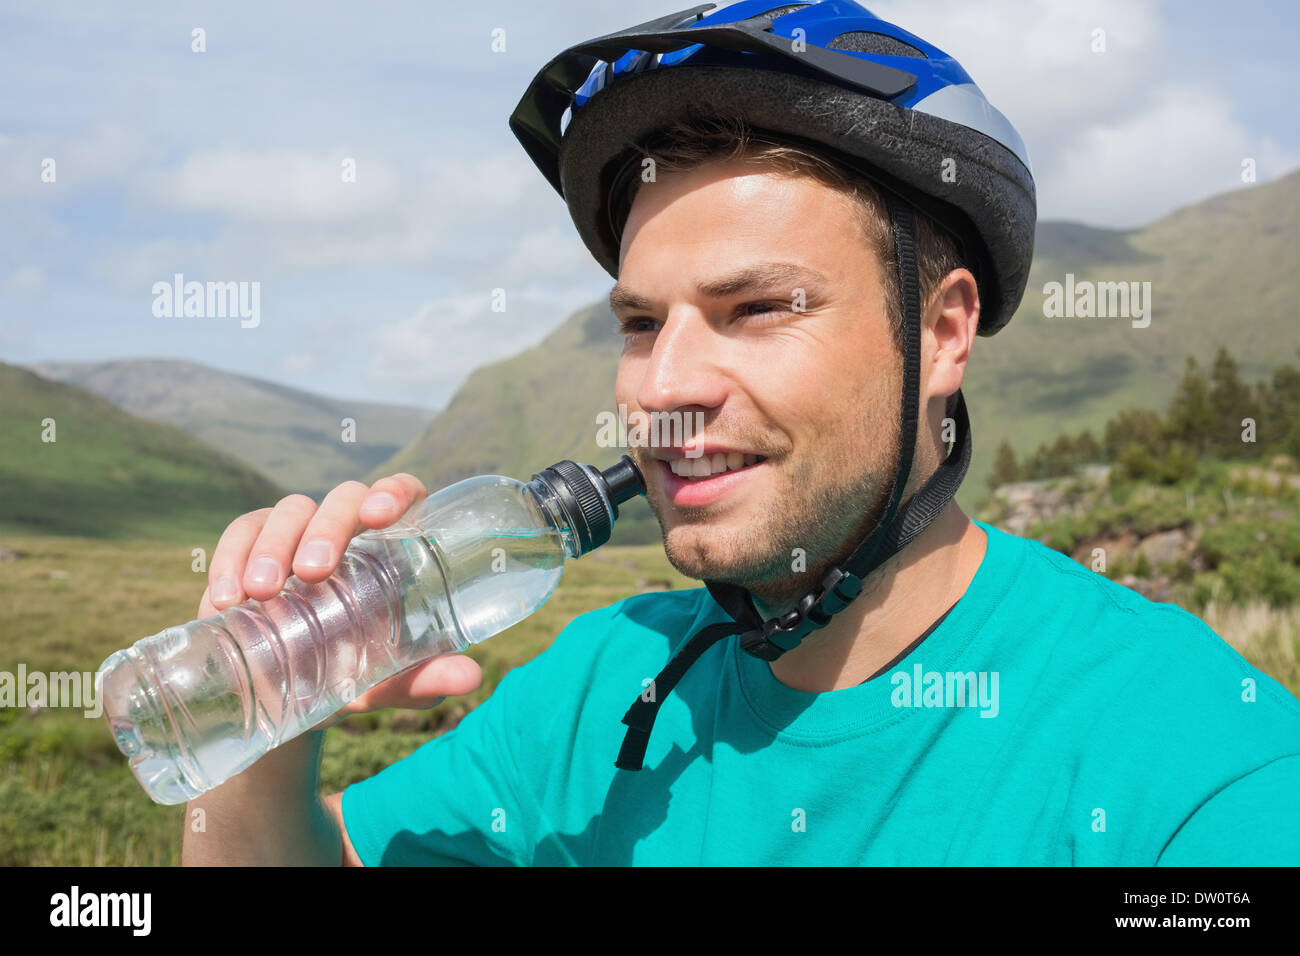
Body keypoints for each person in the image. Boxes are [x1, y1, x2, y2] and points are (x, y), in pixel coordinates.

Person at [182, 1, 1300, 866]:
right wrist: (262, 732)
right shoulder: (605, 681)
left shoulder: (1199, 759)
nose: (662, 385)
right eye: (637, 322)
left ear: (945, 331)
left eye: (757, 308)